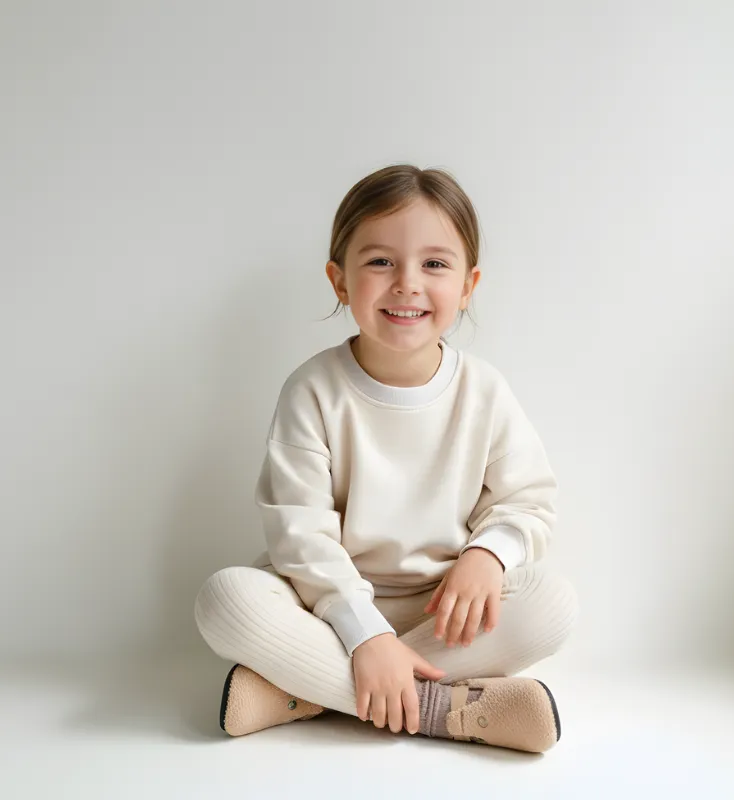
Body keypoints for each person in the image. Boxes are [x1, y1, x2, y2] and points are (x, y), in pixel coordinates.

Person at [194, 164, 578, 754]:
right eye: (380, 262)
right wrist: (364, 634)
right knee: (226, 600)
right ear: (340, 281)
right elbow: (300, 533)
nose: (407, 284)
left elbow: (527, 501)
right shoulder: (313, 390)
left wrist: (486, 555)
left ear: (468, 285)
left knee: (552, 603)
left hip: (441, 611)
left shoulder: (484, 391)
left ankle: (306, 693)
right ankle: (442, 709)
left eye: (435, 264)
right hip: (326, 608)